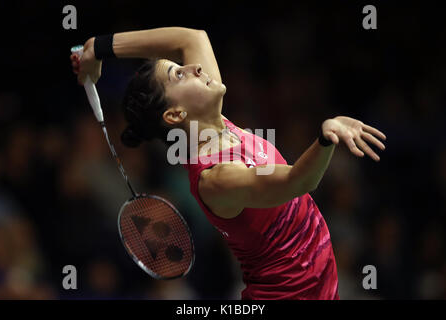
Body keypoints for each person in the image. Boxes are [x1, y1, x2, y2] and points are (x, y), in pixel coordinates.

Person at [71, 27, 386, 300]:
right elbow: (298, 182)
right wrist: (326, 138)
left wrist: (97, 47)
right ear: (176, 114)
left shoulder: (215, 121)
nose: (194, 67)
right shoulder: (216, 178)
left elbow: (190, 37)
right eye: (178, 74)